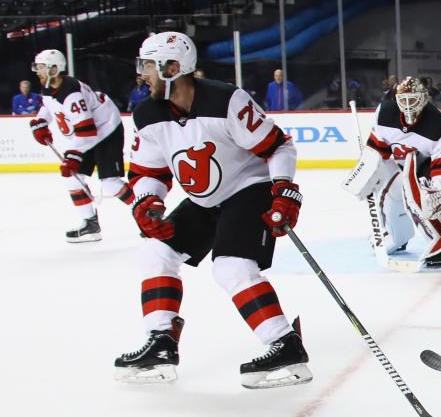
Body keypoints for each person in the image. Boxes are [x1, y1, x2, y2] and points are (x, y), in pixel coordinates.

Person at [114, 32, 311, 389]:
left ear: (172, 68)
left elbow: (278, 146)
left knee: (231, 266)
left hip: (249, 189)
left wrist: (283, 191)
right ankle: (160, 341)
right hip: (205, 201)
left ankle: (285, 346)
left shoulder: (227, 100)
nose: (142, 74)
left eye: (148, 66)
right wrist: (148, 202)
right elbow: (147, 172)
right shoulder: (147, 114)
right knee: (156, 251)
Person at [341, 76, 441, 268]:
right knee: (388, 193)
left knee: (424, 198)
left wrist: (438, 191)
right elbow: (378, 152)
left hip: (425, 172)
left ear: (424, 98)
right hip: (400, 167)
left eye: (413, 100)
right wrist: (365, 172)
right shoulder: (385, 113)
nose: (409, 105)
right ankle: (397, 236)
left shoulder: (439, 126)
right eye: (404, 100)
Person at [29, 48, 134, 242]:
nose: (37, 71)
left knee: (110, 184)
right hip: (90, 133)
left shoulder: (72, 95)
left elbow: (87, 131)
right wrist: (41, 122)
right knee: (72, 179)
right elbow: (49, 105)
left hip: (107, 130)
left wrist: (73, 156)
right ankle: (90, 225)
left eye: (41, 67)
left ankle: (148, 215)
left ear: (54, 69)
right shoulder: (51, 85)